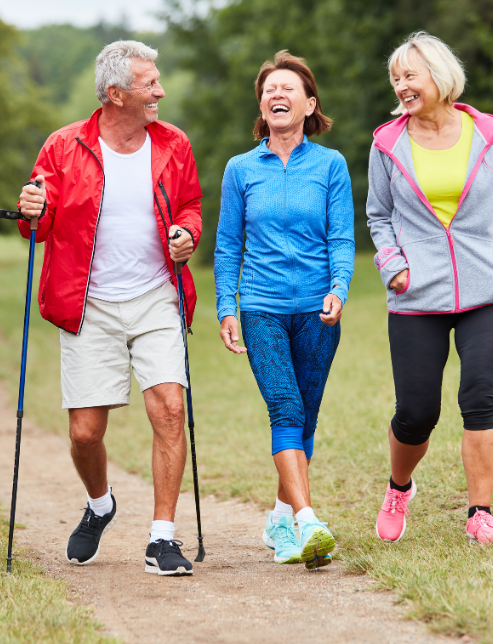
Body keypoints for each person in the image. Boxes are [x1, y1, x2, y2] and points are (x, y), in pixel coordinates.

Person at [15, 40, 202, 576]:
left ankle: (162, 537)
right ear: (115, 94)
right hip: (87, 303)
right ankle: (100, 504)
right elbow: (39, 225)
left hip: (155, 297)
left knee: (169, 405)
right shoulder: (62, 147)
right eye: (150, 84)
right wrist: (33, 208)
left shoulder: (173, 144)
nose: (160, 91)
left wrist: (186, 234)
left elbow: (190, 205)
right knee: (85, 434)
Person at [366, 32, 493, 545]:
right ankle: (399, 487)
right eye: (396, 79)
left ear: (439, 75)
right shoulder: (387, 144)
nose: (401, 86)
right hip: (416, 294)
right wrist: (394, 266)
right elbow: (378, 214)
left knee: (481, 397)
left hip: (487, 287)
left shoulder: (489, 134)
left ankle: (479, 513)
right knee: (417, 412)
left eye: (410, 76)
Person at [214, 51, 354, 569]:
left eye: (288, 88)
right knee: (285, 408)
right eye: (269, 88)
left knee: (306, 417)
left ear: (309, 103)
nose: (277, 94)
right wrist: (226, 306)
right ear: (261, 104)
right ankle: (308, 521)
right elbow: (228, 246)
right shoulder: (240, 169)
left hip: (319, 310)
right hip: (262, 307)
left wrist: (340, 286)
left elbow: (342, 236)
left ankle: (280, 516)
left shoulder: (331, 165)